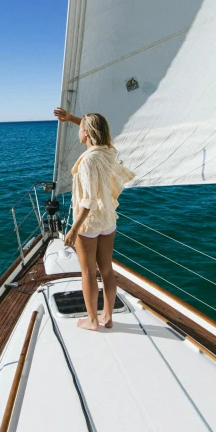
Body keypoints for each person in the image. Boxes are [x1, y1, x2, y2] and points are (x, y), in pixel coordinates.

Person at [53, 107, 135, 331]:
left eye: (80, 128)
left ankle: (92, 321)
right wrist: (71, 119)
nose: (79, 131)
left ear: (87, 133)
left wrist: (72, 230)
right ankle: (107, 317)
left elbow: (87, 201)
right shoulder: (108, 151)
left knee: (88, 272)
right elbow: (95, 130)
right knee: (106, 270)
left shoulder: (88, 160)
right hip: (108, 220)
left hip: (88, 224)